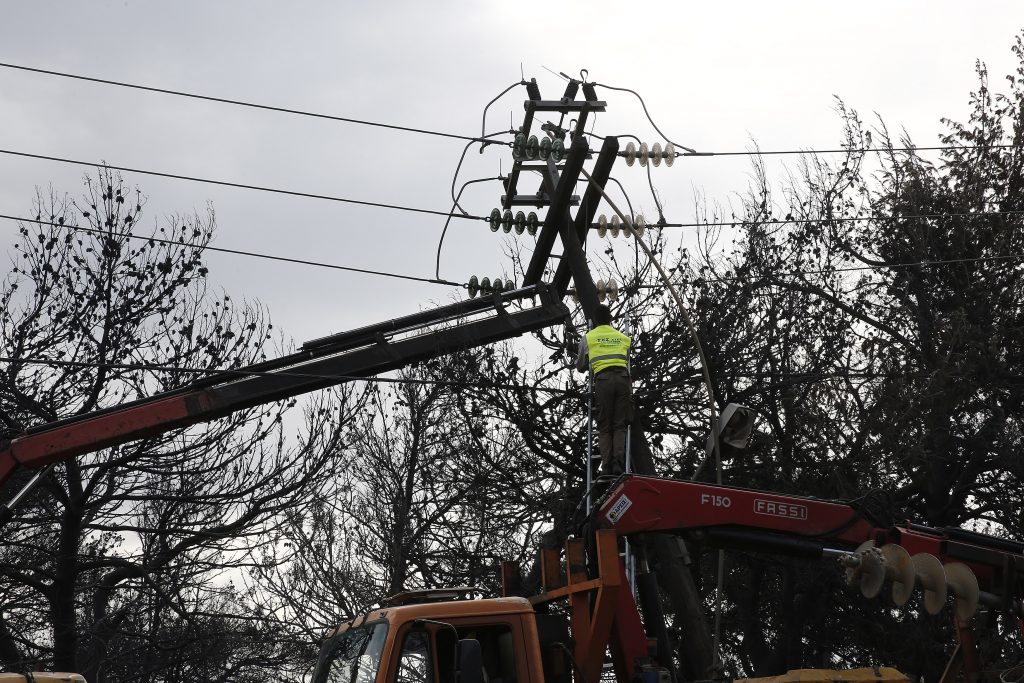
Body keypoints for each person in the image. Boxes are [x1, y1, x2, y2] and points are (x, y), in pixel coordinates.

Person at [575, 304, 632, 477]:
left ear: (594, 321)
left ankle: (606, 466)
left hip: (603, 381)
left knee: (605, 426)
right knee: (620, 424)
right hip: (623, 379)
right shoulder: (623, 338)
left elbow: (580, 366)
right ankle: (618, 464)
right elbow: (627, 359)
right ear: (610, 319)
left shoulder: (588, 338)